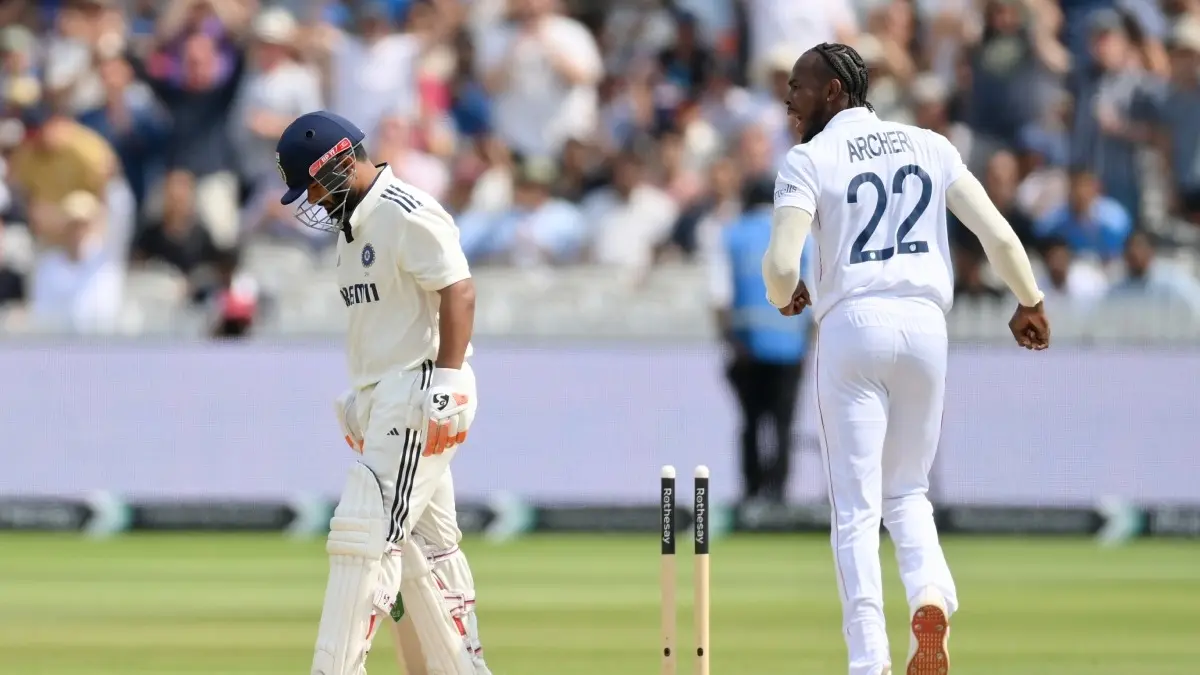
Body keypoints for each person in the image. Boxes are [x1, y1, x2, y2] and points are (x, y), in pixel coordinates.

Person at [762, 43, 1049, 675]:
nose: (788, 99)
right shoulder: (930, 144)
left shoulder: (808, 158)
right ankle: (929, 597)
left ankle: (870, 662)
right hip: (925, 329)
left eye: (798, 88)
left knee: (856, 510)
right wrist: (1029, 299)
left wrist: (786, 295)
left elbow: (782, 266)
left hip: (852, 327)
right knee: (909, 492)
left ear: (834, 92)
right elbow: (996, 233)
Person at [275, 111, 490, 675]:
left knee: (363, 533)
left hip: (422, 387)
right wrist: (361, 397)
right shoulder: (351, 231)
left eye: (314, 186)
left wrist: (446, 379)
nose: (314, 202)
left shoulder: (406, 211)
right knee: (428, 548)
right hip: (387, 394)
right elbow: (379, 324)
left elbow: (459, 290)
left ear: (339, 164)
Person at [710, 178, 812, 505]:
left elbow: (719, 297)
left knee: (751, 423)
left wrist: (731, 341)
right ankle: (778, 497)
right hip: (791, 346)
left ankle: (752, 492)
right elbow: (815, 292)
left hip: (748, 349)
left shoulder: (731, 235)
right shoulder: (800, 237)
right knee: (783, 424)